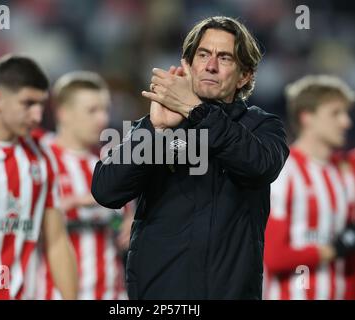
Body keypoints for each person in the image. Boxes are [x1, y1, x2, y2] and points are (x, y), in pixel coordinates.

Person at [91, 16, 289, 299]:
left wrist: (197, 111)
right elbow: (106, 191)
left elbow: (259, 166)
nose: (210, 65)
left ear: (245, 75)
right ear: (189, 64)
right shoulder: (158, 123)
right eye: (203, 54)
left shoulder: (262, 126)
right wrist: (153, 129)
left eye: (225, 58)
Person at [0, 54, 78, 300]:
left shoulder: (42, 158)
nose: (37, 116)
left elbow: (56, 241)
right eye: (28, 103)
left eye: (42, 105)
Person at [33, 71, 132, 300]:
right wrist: (80, 200)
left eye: (105, 110)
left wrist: (130, 225)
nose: (102, 119)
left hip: (112, 295)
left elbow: (124, 223)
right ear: (64, 113)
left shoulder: (111, 164)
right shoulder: (38, 160)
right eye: (92, 111)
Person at [264, 75, 355, 300]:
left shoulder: (345, 171)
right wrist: (332, 250)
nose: (346, 122)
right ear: (307, 117)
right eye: (335, 113)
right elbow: (274, 256)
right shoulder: (284, 171)